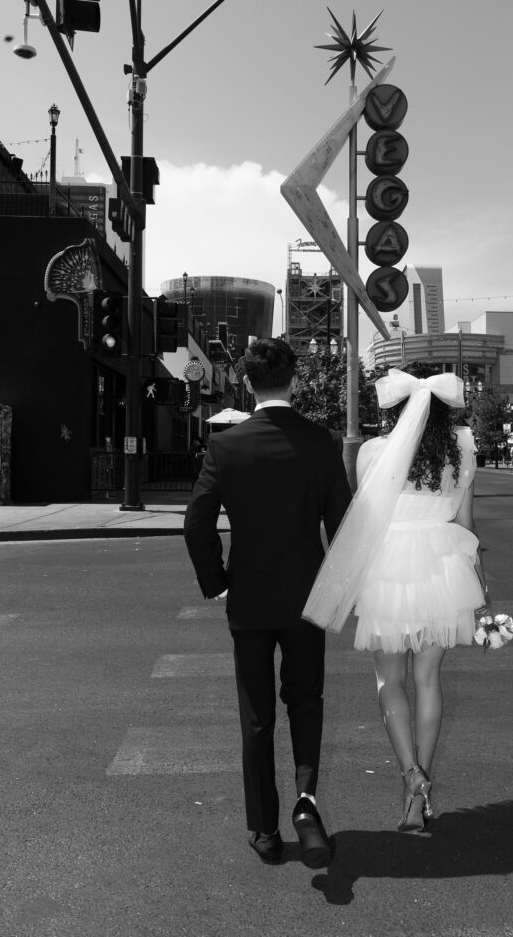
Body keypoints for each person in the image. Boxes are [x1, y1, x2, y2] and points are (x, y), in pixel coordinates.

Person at [184, 339, 352, 867]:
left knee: (256, 717)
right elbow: (343, 525)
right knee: (306, 702)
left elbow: (196, 522)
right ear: (294, 380)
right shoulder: (321, 441)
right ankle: (306, 803)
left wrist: (217, 581)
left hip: (251, 598)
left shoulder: (227, 446)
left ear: (249, 385)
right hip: (307, 597)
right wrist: (341, 586)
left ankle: (264, 828)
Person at [303, 367, 488, 833]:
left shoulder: (372, 451)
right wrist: (480, 586)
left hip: (389, 567)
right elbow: (466, 525)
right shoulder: (462, 447)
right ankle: (413, 802)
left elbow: (366, 520)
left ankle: (411, 772)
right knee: (429, 680)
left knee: (389, 681)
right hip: (444, 565)